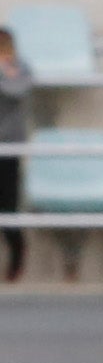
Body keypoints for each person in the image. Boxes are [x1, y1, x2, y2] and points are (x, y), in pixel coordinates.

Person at [0, 27, 32, 284]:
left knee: (8, 206)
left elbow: (17, 89)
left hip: (8, 147)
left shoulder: (20, 68)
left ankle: (16, 255)